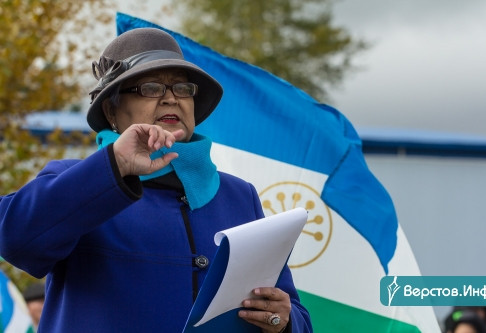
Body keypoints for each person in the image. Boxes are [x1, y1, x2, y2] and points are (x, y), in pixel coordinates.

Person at [0, 28, 312, 332]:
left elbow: (293, 314)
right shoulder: (73, 179)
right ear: (111, 110)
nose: (171, 99)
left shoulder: (239, 195)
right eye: (150, 88)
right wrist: (117, 164)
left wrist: (283, 321)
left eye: (182, 89)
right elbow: (15, 240)